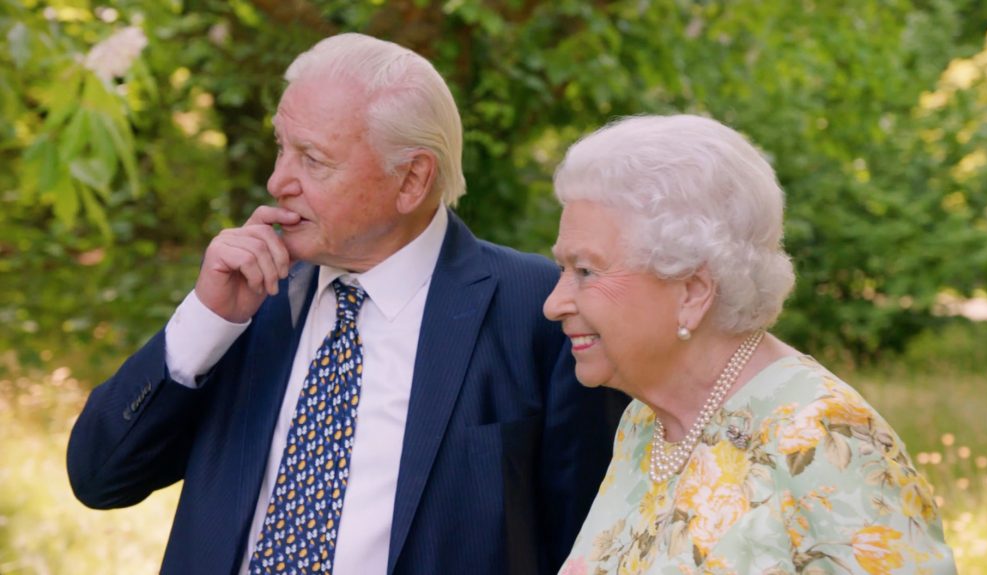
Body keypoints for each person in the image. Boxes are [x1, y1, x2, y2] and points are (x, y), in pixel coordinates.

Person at [67, 33, 625, 575]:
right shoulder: (250, 295)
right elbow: (100, 478)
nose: (277, 180)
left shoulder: (540, 309)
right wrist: (208, 321)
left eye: (312, 158)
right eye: (281, 147)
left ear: (411, 180)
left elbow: (587, 540)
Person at [543, 115, 956, 574]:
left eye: (585, 272)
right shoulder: (645, 423)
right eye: (563, 270)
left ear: (692, 292)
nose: (554, 303)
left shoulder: (821, 437)